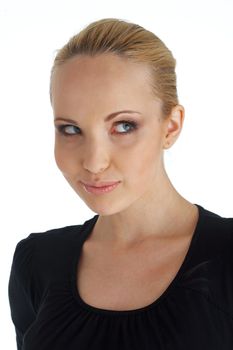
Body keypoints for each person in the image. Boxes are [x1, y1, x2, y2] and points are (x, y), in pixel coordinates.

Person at [8, 18, 233, 350]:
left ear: (170, 126)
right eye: (70, 129)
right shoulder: (36, 263)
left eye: (124, 126)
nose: (94, 162)